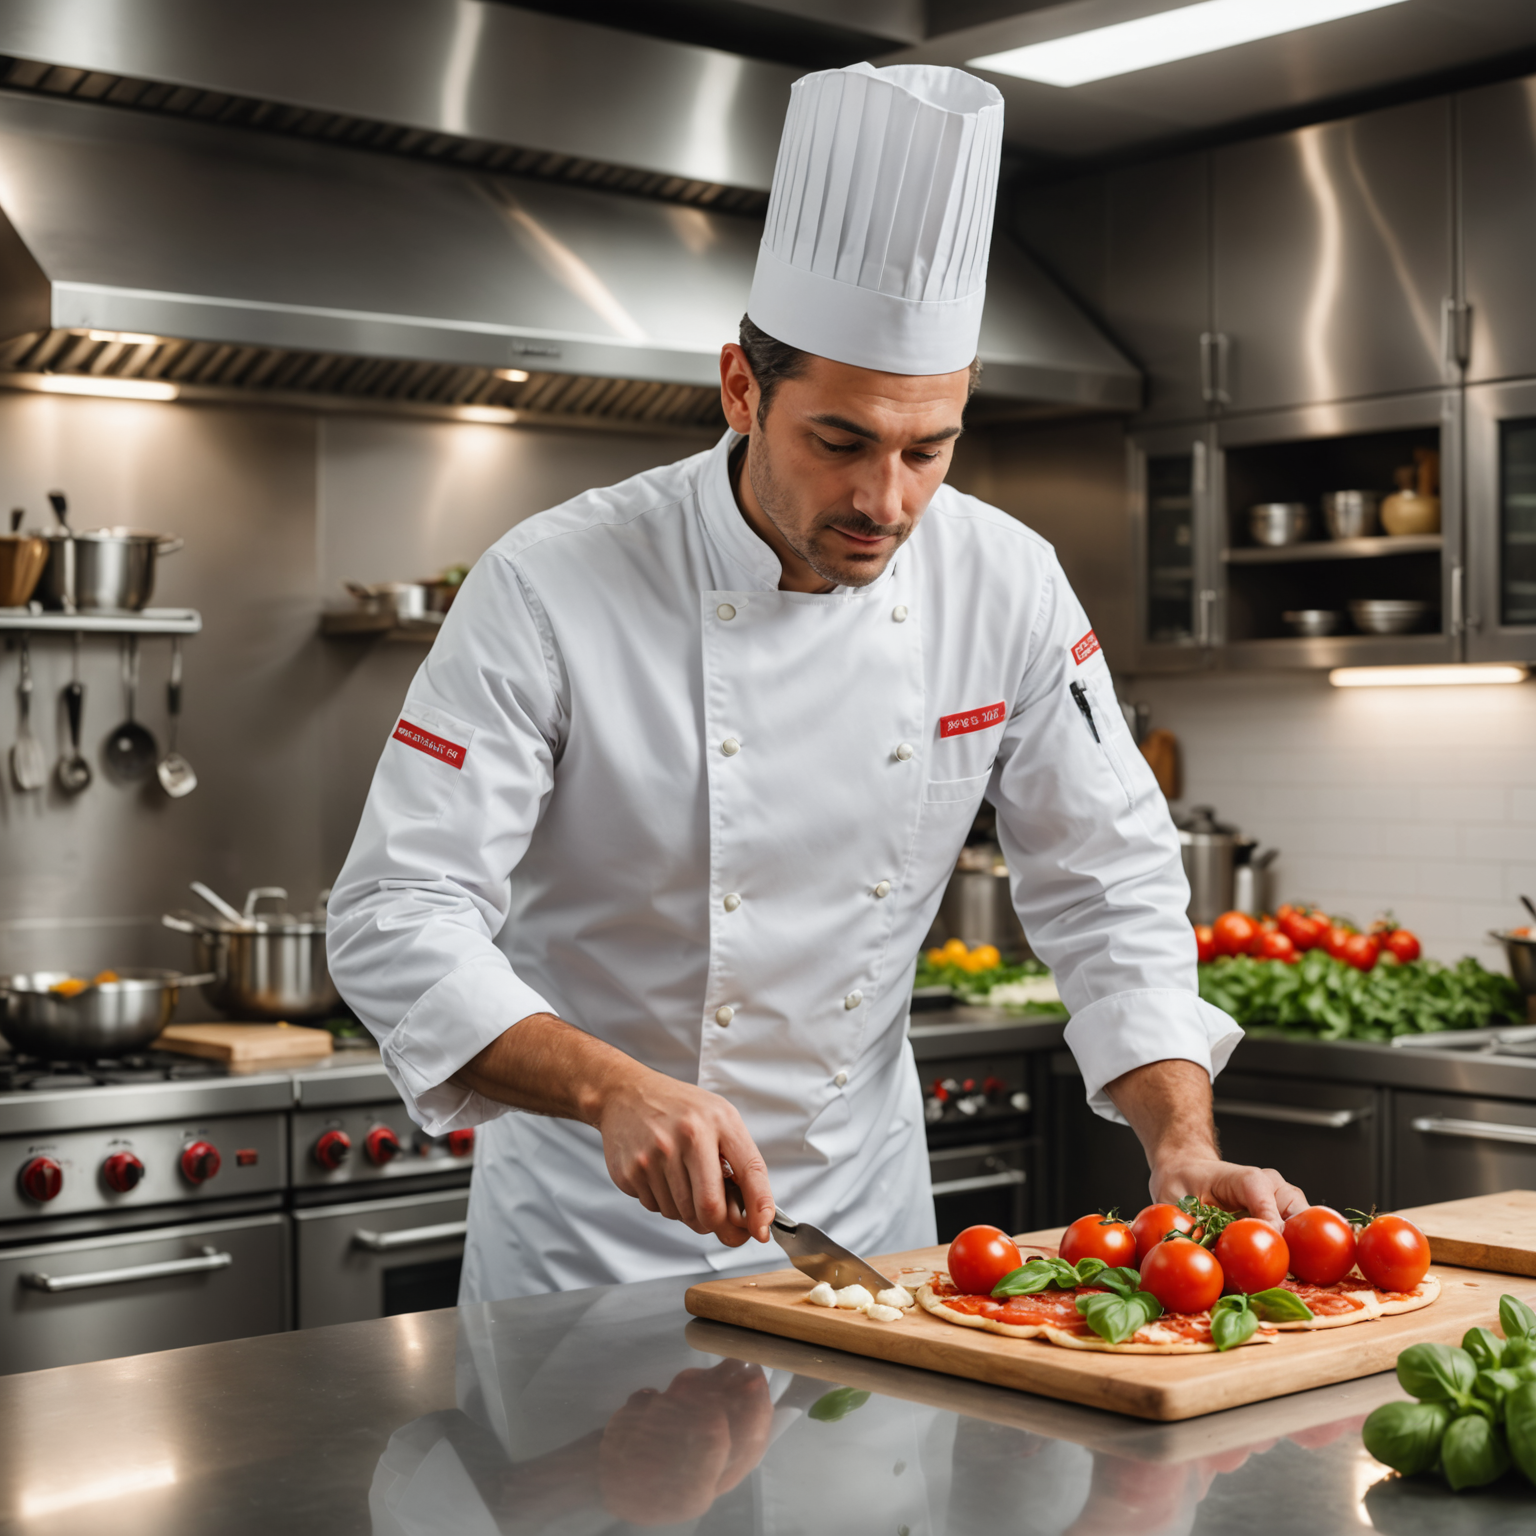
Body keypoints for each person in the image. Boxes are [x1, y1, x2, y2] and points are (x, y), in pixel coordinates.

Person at [327, 60, 1306, 1303]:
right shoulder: (550, 584)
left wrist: (1180, 1139)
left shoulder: (1005, 580)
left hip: (863, 1239)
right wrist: (612, 1087)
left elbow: (1108, 880)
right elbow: (394, 913)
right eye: (839, 442)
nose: (884, 503)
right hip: (586, 1242)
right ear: (742, 389)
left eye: (928, 449)